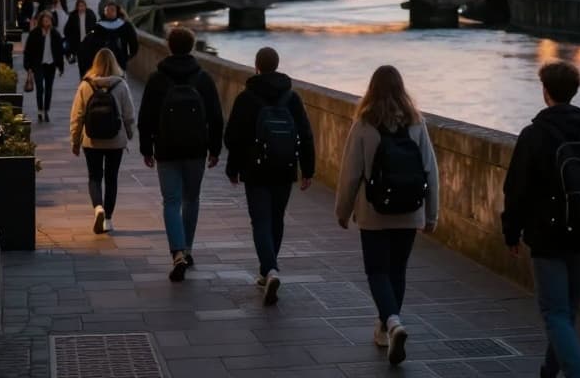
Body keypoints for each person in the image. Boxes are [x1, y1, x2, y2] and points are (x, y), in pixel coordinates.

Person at [502, 61, 580, 378]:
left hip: (547, 238)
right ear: (574, 92)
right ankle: (549, 371)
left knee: (555, 313)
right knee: (567, 313)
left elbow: (516, 189)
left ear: (545, 92)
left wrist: (511, 232)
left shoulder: (533, 136)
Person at [334, 65, 439, 366]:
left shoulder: (365, 124)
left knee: (377, 272)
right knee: (397, 271)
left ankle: (392, 323)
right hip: (410, 210)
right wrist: (431, 215)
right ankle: (386, 328)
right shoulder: (417, 123)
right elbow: (431, 172)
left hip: (374, 212)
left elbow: (350, 174)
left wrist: (343, 211)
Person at [224, 47, 316, 305]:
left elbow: (234, 138)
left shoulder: (246, 98)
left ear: (256, 66)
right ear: (277, 66)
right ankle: (269, 268)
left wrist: (233, 168)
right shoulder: (292, 98)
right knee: (276, 219)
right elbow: (306, 135)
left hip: (255, 168)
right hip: (285, 167)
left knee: (260, 221)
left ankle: (270, 269)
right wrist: (308, 169)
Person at [138, 27, 225, 282]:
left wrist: (146, 148)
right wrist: (215, 149)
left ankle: (176, 251)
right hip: (196, 148)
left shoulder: (157, 78)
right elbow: (216, 117)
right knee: (192, 198)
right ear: (192, 46)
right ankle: (187, 248)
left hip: (166, 148)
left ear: (168, 46)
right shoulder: (203, 78)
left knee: (171, 201)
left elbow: (146, 117)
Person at [69, 48, 137, 234]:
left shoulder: (86, 85)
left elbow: (77, 115)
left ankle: (97, 207)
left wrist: (75, 140)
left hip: (91, 140)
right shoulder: (121, 85)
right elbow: (129, 114)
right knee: (111, 178)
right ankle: (108, 219)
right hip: (115, 139)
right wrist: (129, 133)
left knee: (94, 176)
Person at [23, 11, 64, 124]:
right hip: (38, 65)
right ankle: (40, 110)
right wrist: (28, 67)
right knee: (40, 88)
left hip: (51, 65)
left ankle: (46, 110)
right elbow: (28, 51)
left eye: (49, 20)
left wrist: (60, 67)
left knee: (49, 89)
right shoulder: (35, 33)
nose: (47, 22)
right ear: (41, 21)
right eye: (45, 20)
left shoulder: (55, 34)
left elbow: (60, 51)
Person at [87, 1, 139, 72]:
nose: (109, 12)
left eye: (112, 10)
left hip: (120, 60)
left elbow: (133, 41)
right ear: (104, 12)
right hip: (103, 60)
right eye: (107, 10)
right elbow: (91, 43)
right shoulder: (98, 26)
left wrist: (129, 56)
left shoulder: (125, 26)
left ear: (116, 12)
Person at [63, 0, 98, 78]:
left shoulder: (90, 14)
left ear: (85, 6)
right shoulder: (73, 16)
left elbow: (95, 27)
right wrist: (71, 39)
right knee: (81, 65)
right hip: (78, 45)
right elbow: (66, 30)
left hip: (89, 44)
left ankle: (89, 81)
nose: (81, 8)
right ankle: (83, 81)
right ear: (77, 7)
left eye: (83, 6)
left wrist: (93, 37)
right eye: (79, 6)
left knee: (89, 65)